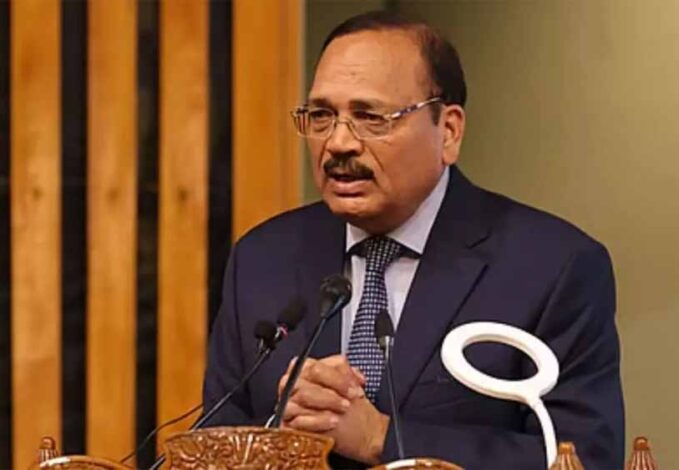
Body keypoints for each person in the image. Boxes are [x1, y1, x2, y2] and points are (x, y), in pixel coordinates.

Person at [203, 10, 624, 469]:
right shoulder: (262, 260)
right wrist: (283, 439)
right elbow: (216, 444)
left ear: (449, 131)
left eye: (370, 117)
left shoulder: (552, 267)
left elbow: (585, 460)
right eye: (321, 116)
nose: (338, 143)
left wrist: (380, 437)